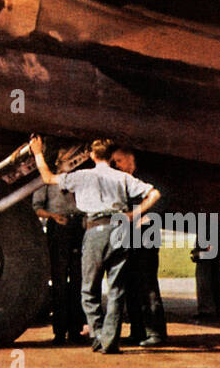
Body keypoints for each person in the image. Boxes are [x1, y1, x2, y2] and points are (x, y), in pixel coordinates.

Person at [30, 135, 160, 354]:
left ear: (91, 155)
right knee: (117, 288)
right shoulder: (122, 178)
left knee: (88, 288)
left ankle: (99, 335)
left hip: (95, 229)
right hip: (120, 228)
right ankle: (110, 339)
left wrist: (37, 153)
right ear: (111, 157)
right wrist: (133, 213)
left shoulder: (82, 176)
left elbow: (48, 177)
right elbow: (154, 193)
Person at [112, 146, 167, 346]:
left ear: (130, 158)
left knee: (147, 284)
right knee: (131, 285)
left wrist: (138, 216)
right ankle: (138, 330)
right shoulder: (124, 180)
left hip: (146, 236)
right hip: (130, 236)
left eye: (118, 160)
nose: (116, 165)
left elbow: (160, 202)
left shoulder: (146, 180)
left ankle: (156, 333)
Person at [32, 152, 86, 345]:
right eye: (67, 160)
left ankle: (75, 330)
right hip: (59, 229)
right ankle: (60, 331)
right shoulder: (47, 182)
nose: (71, 164)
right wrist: (53, 216)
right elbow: (36, 207)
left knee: (78, 279)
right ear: (58, 162)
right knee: (59, 281)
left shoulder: (80, 180)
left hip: (79, 226)